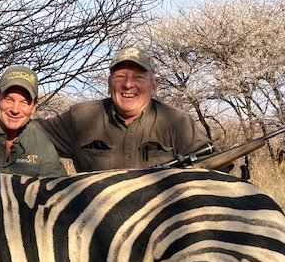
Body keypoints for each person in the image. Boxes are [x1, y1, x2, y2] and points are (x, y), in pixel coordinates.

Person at [36, 47, 215, 171]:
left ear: (154, 85)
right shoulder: (81, 119)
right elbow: (26, 132)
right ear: (109, 84)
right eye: (120, 76)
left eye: (138, 77)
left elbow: (215, 168)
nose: (128, 85)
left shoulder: (177, 122)